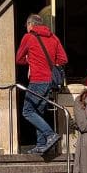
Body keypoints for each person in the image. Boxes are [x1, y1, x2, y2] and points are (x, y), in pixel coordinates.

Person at [15, 14, 67, 154]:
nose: (26, 28)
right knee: (38, 112)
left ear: (30, 24)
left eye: (26, 26)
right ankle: (41, 145)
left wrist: (31, 61)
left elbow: (19, 59)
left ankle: (50, 134)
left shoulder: (29, 37)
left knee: (27, 111)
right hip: (50, 81)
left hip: (37, 80)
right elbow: (63, 59)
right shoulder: (53, 37)